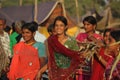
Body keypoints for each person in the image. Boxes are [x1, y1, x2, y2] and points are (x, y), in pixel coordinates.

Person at [36, 16, 81, 80]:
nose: (58, 28)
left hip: (68, 76)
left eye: (61, 25)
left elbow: (76, 59)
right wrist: (40, 71)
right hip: (55, 75)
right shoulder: (51, 41)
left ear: (66, 27)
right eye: (56, 25)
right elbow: (51, 62)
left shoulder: (71, 41)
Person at [76, 16, 103, 80]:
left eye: (88, 24)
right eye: (84, 24)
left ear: (94, 26)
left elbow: (101, 47)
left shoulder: (99, 37)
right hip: (81, 68)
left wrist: (92, 39)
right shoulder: (80, 35)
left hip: (92, 67)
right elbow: (75, 47)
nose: (85, 27)